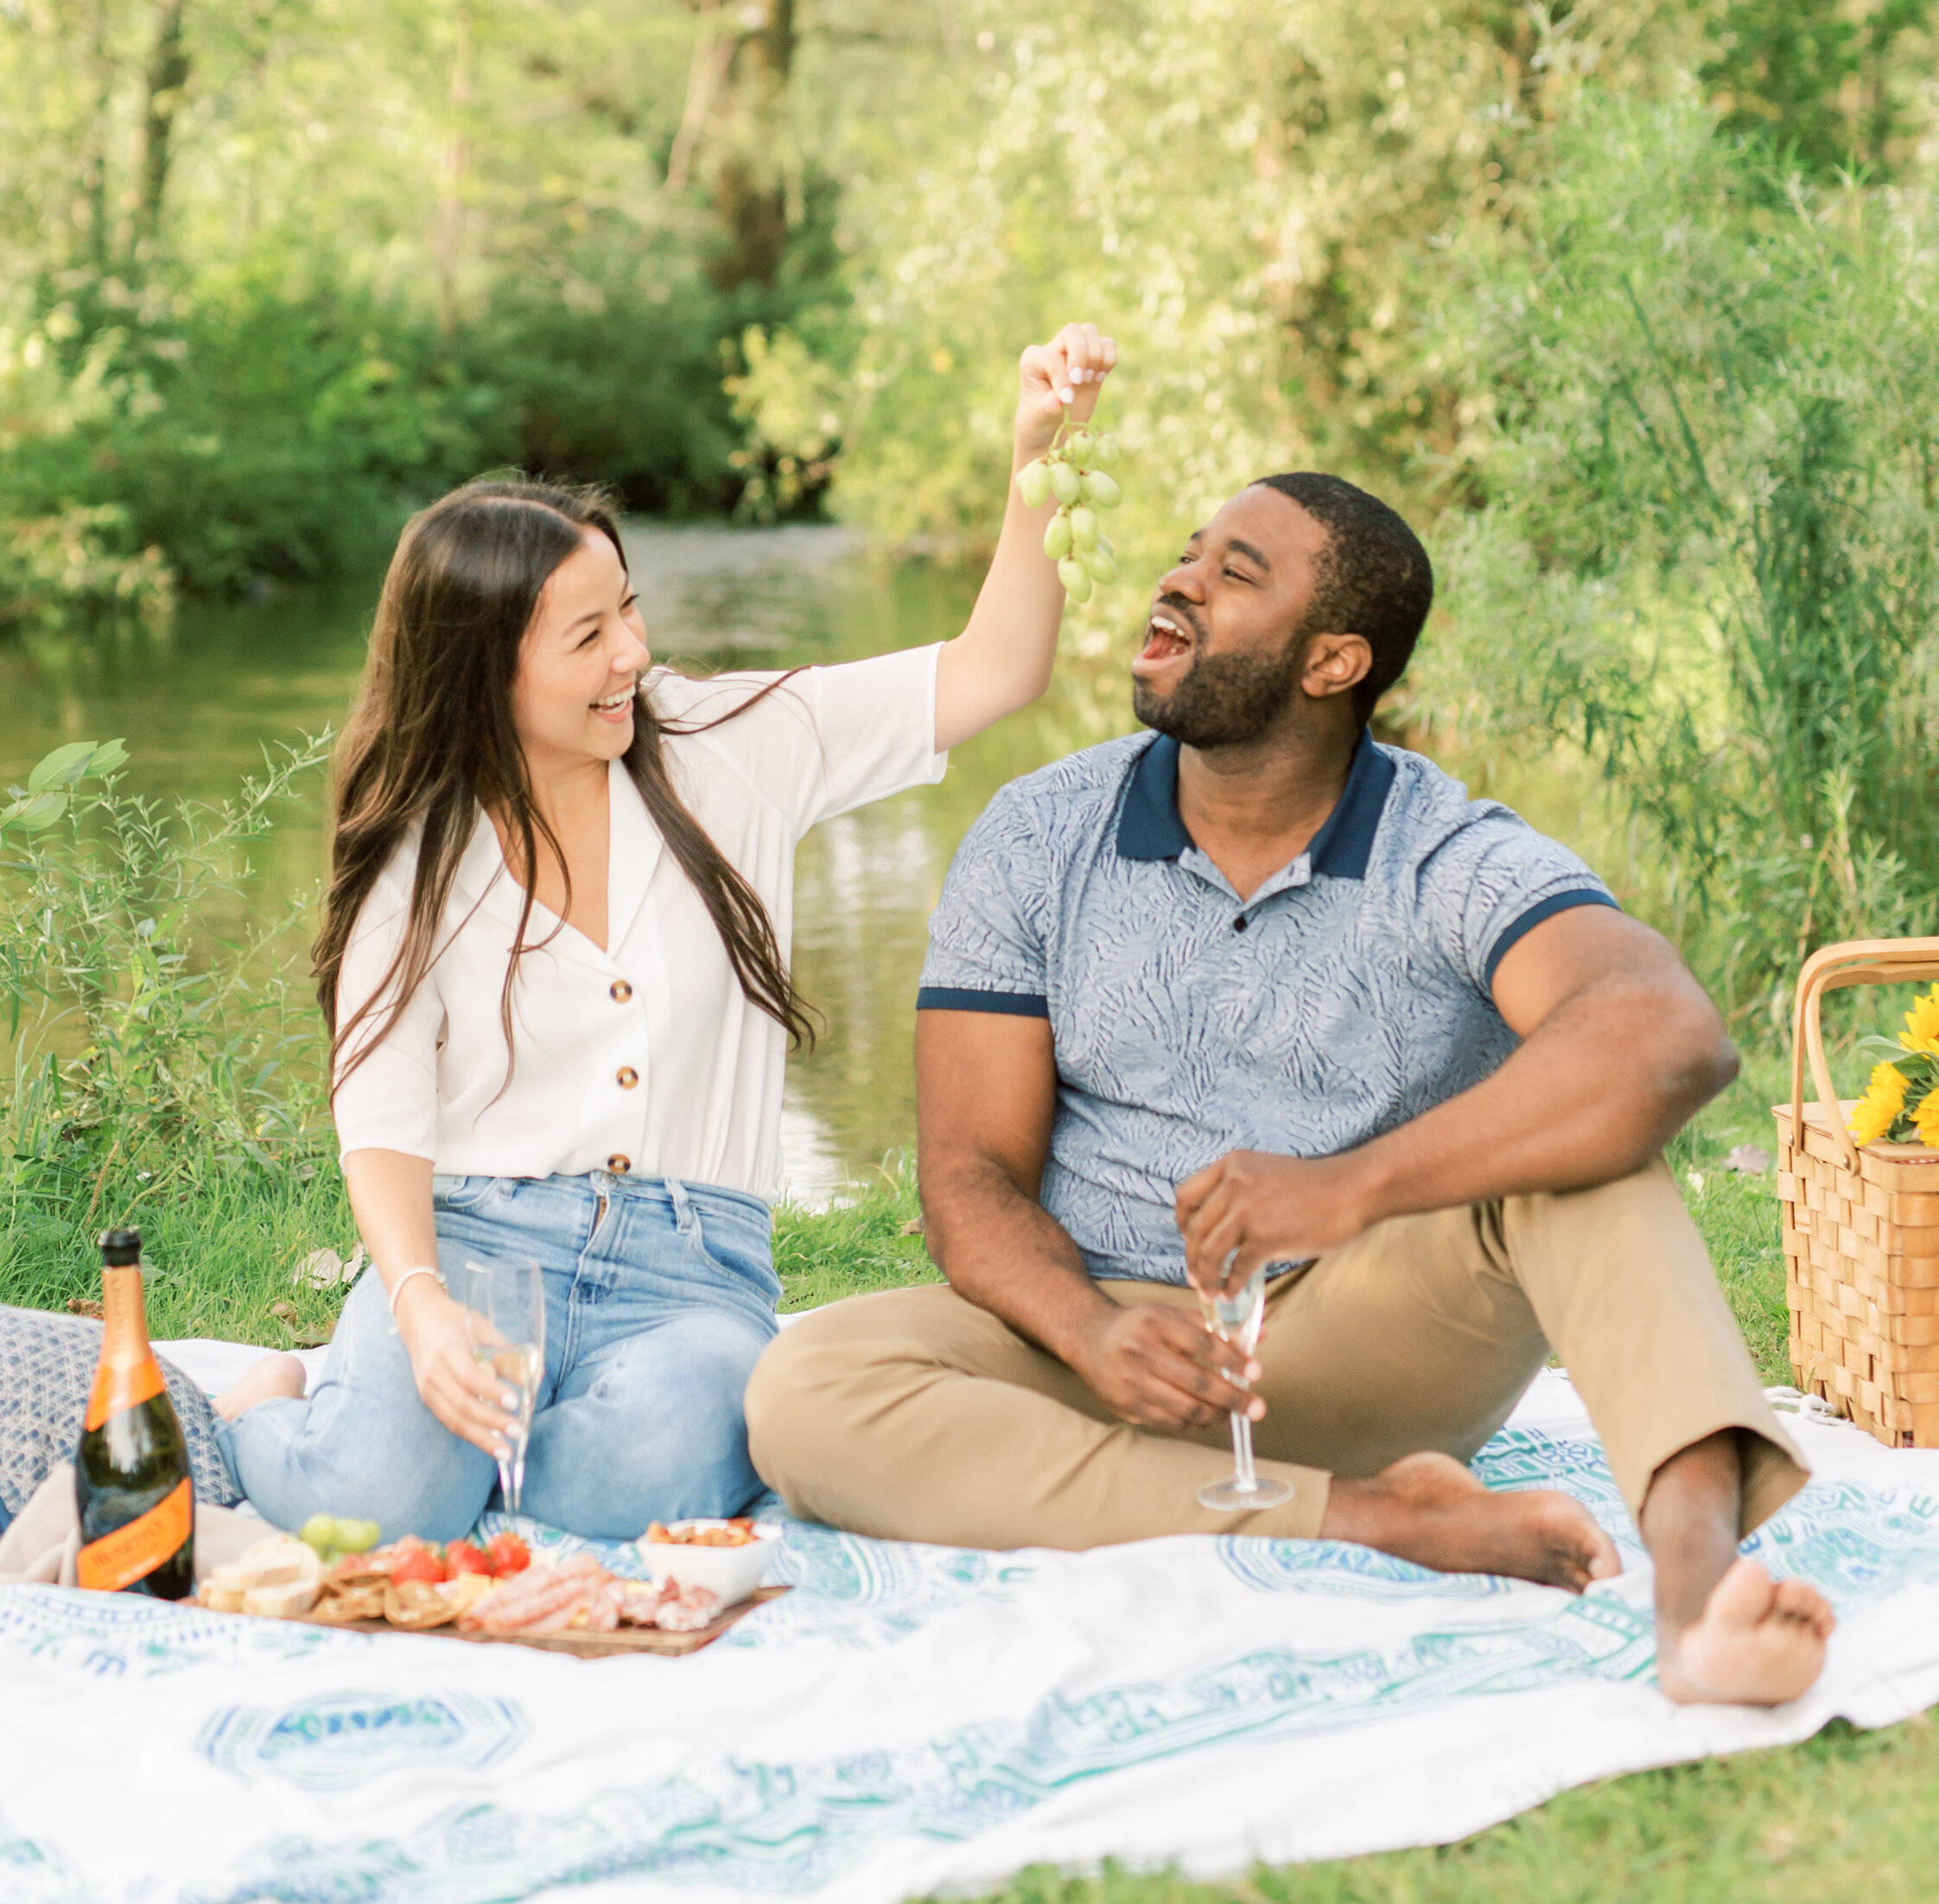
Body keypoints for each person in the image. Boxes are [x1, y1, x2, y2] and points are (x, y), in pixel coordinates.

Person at [747, 470, 1835, 1709]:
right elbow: (966, 1175)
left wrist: (1347, 1188)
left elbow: (1665, 1034)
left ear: (1332, 662)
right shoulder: (1038, 831)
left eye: (1235, 571)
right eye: (1189, 551)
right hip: (1099, 1343)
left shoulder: (1447, 849)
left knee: (1594, 1171)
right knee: (801, 1388)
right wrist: (1089, 1326)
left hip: (1360, 1340)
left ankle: (1697, 1595)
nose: (1179, 579)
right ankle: (1379, 1519)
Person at [213, 323, 1117, 1544]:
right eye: (588, 637)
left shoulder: (732, 742)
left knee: (619, 1490)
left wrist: (1036, 451)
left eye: (627, 610)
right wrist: (419, 1301)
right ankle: (270, 1404)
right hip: (479, 1240)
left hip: (691, 1271)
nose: (632, 652)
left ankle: (468, 1442)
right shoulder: (414, 847)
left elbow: (996, 667)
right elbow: (378, 1109)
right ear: (486, 671)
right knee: (381, 1510)